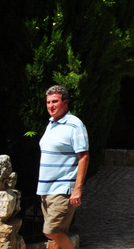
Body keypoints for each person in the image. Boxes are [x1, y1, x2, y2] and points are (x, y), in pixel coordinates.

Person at [37, 85, 89, 249]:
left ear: (65, 102)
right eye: (48, 102)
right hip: (46, 190)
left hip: (63, 188)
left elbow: (84, 157)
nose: (51, 106)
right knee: (55, 236)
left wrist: (77, 189)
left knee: (51, 231)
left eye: (55, 102)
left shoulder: (75, 125)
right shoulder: (51, 124)